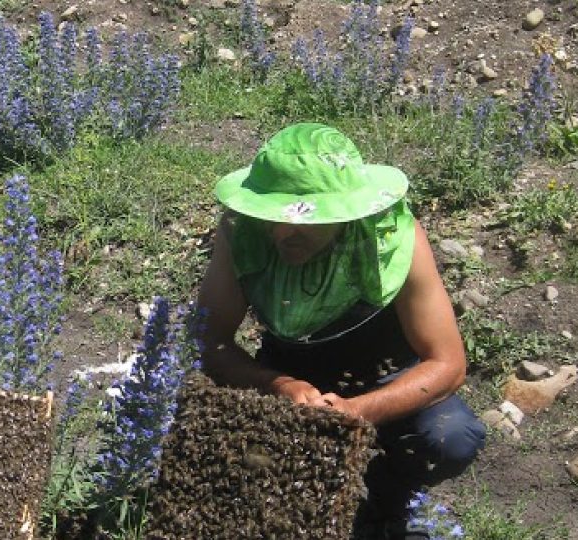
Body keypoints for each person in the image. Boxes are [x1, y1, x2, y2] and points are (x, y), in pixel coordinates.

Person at [197, 123, 486, 540]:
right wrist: (276, 384)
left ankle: (390, 502)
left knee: (450, 436)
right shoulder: (242, 234)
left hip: (386, 380)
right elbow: (211, 340)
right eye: (273, 218)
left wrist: (356, 411)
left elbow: (448, 364)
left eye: (302, 222)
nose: (283, 232)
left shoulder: (394, 237)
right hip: (289, 382)